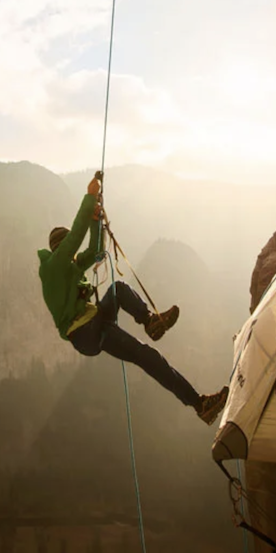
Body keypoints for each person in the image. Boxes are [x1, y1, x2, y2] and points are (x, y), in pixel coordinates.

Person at [37, 173, 228, 425]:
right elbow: (74, 241)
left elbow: (94, 252)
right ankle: (199, 403)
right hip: (87, 333)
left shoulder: (69, 267)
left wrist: (96, 221)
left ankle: (149, 321)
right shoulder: (53, 269)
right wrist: (90, 196)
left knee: (118, 288)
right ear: (60, 250)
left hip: (94, 322)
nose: (74, 258)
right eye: (68, 252)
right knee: (147, 356)